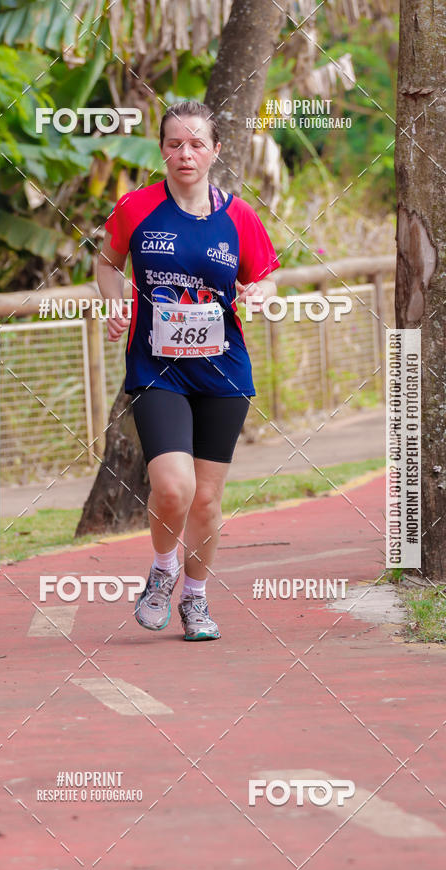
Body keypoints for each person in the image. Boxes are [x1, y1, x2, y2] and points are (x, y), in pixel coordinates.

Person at [97, 100, 279, 641]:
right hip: (158, 368)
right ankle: (162, 572)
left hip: (223, 372)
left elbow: (266, 275)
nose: (186, 153)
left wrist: (260, 294)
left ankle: (195, 599)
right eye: (175, 144)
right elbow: (107, 264)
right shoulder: (136, 207)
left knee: (206, 499)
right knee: (173, 489)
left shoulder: (239, 216)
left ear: (215, 150)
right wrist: (114, 303)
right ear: (162, 150)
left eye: (197, 143)